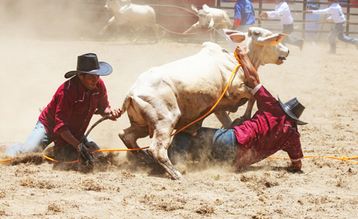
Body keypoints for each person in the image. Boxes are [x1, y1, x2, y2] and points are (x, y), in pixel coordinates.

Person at [169, 48, 306, 173]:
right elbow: (297, 163)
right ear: (295, 120)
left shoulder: (274, 107)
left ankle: (172, 162)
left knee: (185, 133)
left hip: (234, 140)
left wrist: (244, 56)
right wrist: (293, 166)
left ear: (284, 107)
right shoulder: (293, 135)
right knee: (201, 149)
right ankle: (180, 160)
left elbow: (253, 80)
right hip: (237, 163)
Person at [5, 53, 122, 165]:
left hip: (75, 130)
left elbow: (104, 107)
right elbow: (60, 126)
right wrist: (78, 145)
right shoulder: (66, 92)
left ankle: (57, 150)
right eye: (91, 76)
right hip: (49, 126)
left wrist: (110, 113)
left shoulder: (98, 85)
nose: (95, 79)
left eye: (97, 75)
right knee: (29, 151)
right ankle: (12, 148)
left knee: (95, 154)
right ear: (81, 76)